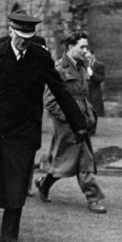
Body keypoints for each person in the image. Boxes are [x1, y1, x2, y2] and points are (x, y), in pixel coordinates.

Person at [0, 12, 89, 242]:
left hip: (24, 131)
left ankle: (9, 239)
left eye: (28, 36)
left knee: (16, 187)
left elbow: (60, 90)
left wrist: (78, 124)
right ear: (10, 31)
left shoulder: (40, 57)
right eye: (20, 36)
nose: (23, 41)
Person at [36, 31, 107, 214]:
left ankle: (44, 183)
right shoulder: (59, 69)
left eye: (86, 47)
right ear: (69, 47)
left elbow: (82, 95)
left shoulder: (81, 67)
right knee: (83, 159)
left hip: (81, 120)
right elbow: (51, 102)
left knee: (66, 161)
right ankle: (93, 198)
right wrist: (72, 119)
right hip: (67, 123)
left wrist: (89, 114)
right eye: (82, 47)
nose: (86, 51)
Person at [86, 50, 106, 124]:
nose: (88, 58)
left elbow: (101, 78)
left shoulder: (99, 65)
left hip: (95, 91)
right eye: (86, 57)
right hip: (86, 91)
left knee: (94, 110)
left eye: (89, 56)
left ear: (93, 55)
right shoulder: (84, 65)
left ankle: (93, 128)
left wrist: (92, 74)